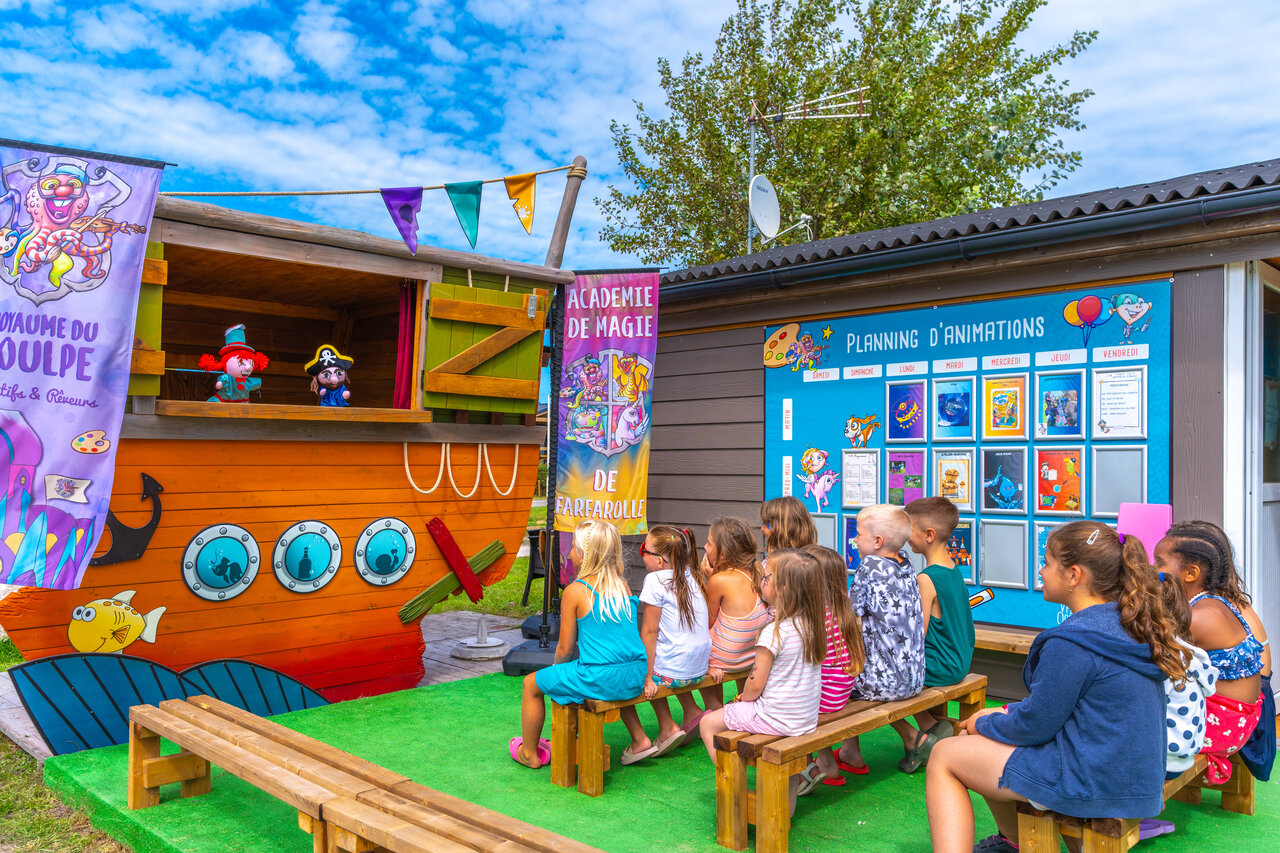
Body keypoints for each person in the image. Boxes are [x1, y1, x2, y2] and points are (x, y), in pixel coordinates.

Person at [926, 523, 1186, 853]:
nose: (1041, 570)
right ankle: (1015, 843)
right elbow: (1073, 709)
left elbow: (1035, 726)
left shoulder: (1074, 640)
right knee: (976, 740)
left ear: (1074, 575)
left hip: (1090, 778)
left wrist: (984, 721)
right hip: (1132, 776)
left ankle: (1009, 843)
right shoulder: (1129, 623)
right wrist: (1001, 716)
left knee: (944, 754)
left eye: (1047, 563)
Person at [512, 520, 647, 769]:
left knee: (530, 684)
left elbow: (564, 649)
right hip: (635, 674)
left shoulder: (575, 591)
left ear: (585, 555)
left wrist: (554, 673)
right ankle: (635, 738)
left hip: (600, 677)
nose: (570, 552)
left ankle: (529, 753)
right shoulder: (623, 586)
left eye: (573, 547)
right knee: (588, 670)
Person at [699, 548, 826, 812]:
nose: (761, 582)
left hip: (774, 718)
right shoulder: (811, 625)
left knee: (708, 723)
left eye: (766, 578)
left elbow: (755, 684)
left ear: (783, 588)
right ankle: (786, 808)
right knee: (786, 761)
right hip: (803, 720)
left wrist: (741, 699)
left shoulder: (774, 633)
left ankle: (735, 789)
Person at [1156, 521, 1270, 783]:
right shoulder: (1213, 602)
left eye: (1159, 563)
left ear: (1190, 573)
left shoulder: (1201, 617)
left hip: (1223, 727)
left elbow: (1147, 650)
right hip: (1239, 718)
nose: (1153, 570)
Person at [835, 504, 924, 775]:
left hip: (885, 681)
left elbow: (850, 613)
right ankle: (851, 750)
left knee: (840, 678)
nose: (854, 540)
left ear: (877, 541)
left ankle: (844, 753)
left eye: (858, 534)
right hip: (914, 676)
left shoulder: (869, 566)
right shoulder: (906, 563)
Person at [891, 497, 977, 773]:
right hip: (959, 660)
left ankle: (914, 737)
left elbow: (917, 636)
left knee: (878, 679)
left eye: (909, 531)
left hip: (941, 666)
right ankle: (930, 725)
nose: (906, 538)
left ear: (928, 535)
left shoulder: (925, 578)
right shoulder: (953, 569)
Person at [618, 526, 711, 762]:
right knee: (671, 651)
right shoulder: (691, 572)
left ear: (660, 561)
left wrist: (647, 676)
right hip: (699, 668)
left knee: (642, 667)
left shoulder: (655, 579)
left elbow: (649, 632)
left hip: (676, 673)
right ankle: (691, 711)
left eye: (644, 550)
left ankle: (667, 726)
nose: (642, 555)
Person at [798, 544, 865, 793]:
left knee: (788, 702)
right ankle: (826, 761)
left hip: (822, 700)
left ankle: (810, 765)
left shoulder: (811, 616)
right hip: (839, 695)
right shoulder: (841, 609)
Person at [699, 517, 771, 712]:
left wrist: (710, 578)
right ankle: (744, 701)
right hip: (750, 656)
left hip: (726, 660)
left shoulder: (720, 580)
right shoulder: (756, 571)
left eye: (709, 543)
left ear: (723, 554)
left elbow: (707, 622)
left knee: (695, 640)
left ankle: (713, 707)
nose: (705, 547)